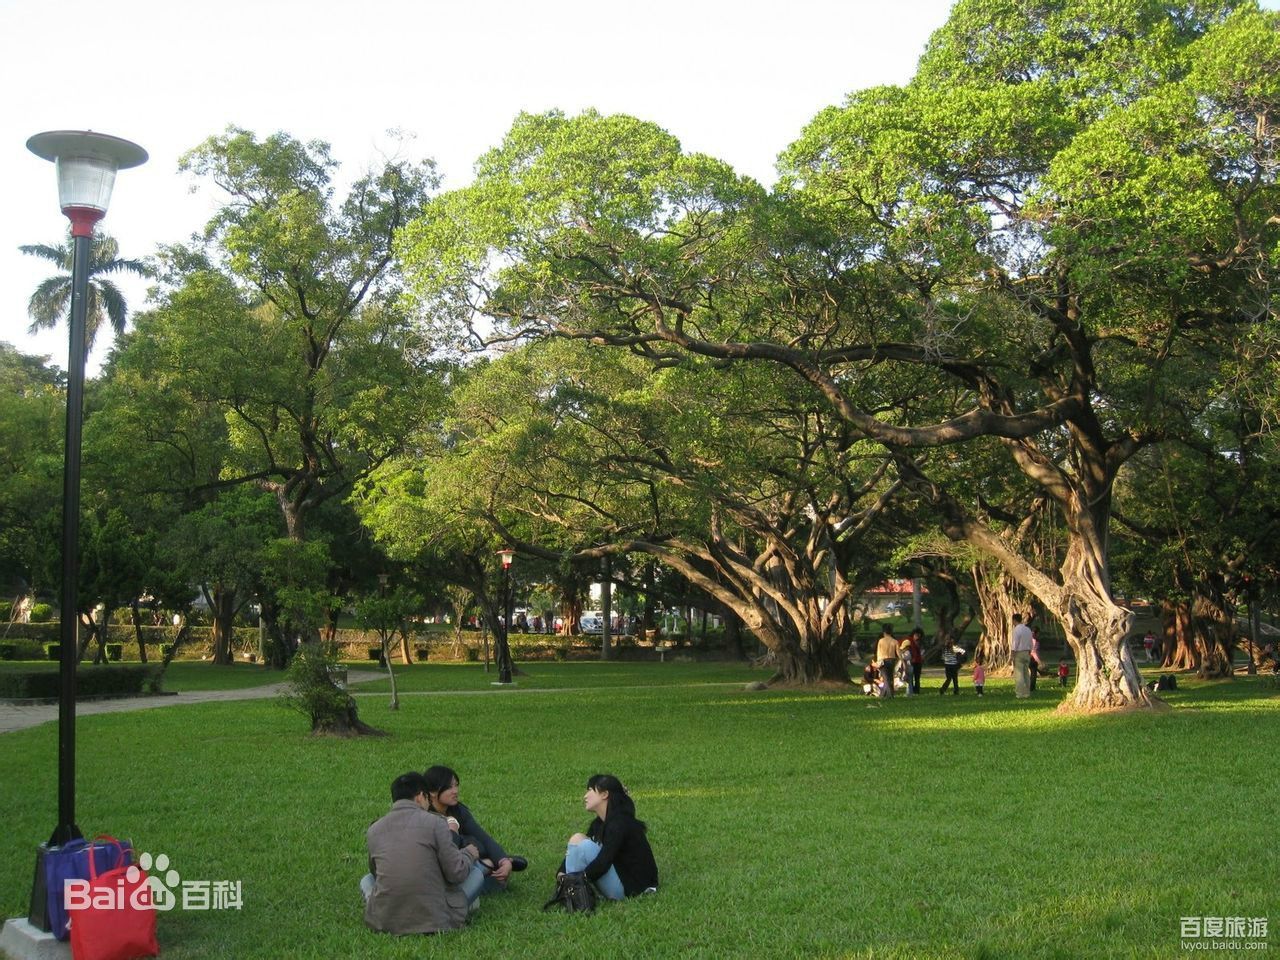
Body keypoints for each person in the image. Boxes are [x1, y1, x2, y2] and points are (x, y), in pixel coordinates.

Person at [363, 772, 478, 936]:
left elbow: (375, 873)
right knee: (477, 874)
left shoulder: (374, 829)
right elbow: (456, 873)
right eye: (428, 799)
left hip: (385, 920)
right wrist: (469, 854)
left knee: (366, 880)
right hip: (435, 918)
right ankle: (468, 905)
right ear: (420, 797)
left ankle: (379, 906)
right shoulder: (436, 823)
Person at [423, 765, 527, 903]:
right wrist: (453, 830)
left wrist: (503, 861)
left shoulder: (457, 810)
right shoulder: (425, 817)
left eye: (456, 785)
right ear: (433, 792)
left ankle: (495, 865)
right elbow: (447, 853)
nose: (455, 791)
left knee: (480, 849)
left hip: (468, 857)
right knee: (491, 874)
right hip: (447, 869)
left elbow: (482, 837)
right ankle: (488, 867)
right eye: (449, 787)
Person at [559, 774, 658, 900]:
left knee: (583, 844)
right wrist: (561, 873)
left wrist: (580, 878)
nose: (585, 796)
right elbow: (576, 851)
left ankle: (572, 893)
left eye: (590, 790)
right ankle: (570, 890)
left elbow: (603, 862)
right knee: (578, 839)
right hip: (620, 881)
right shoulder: (600, 823)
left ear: (605, 794)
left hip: (629, 889)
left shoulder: (620, 823)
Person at [1011, 613, 1034, 698]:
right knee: (1026, 674)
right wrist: (1030, 651)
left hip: (1019, 653)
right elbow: (1031, 643)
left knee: (1019, 673)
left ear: (1014, 620)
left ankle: (1020, 693)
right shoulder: (1027, 629)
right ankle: (1027, 692)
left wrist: (1012, 655)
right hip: (1027, 652)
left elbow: (1015, 643)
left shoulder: (1016, 630)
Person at [876, 624, 899, 699]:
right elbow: (898, 653)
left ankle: (890, 695)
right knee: (890, 678)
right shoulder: (895, 641)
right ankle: (884, 695)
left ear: (884, 632)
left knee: (886, 678)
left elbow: (878, 652)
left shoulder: (881, 641)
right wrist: (902, 661)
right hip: (892, 660)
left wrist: (878, 662)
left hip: (883, 660)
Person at [905, 628, 924, 694]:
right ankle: (911, 690)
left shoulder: (921, 643)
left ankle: (917, 690)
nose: (918, 636)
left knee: (917, 677)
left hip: (918, 662)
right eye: (916, 635)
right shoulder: (909, 642)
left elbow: (922, 652)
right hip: (911, 662)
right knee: (911, 677)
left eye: (919, 635)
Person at [1029, 628, 1042, 692]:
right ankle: (1031, 688)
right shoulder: (1035, 641)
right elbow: (1034, 652)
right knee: (1033, 674)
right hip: (1032, 659)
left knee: (1032, 673)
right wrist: (1039, 661)